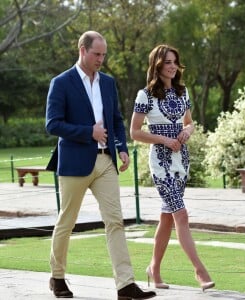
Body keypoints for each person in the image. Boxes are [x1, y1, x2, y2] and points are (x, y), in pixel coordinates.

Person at [45, 30, 156, 300]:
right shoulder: (61, 83)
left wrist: (122, 148)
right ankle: (57, 277)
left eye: (104, 55)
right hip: (74, 163)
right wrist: (88, 132)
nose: (101, 59)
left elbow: (116, 120)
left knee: (115, 221)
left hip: (105, 161)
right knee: (67, 223)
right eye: (97, 54)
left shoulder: (108, 82)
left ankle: (125, 285)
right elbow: (53, 124)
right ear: (82, 50)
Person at [130, 44, 215, 292]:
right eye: (167, 62)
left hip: (182, 160)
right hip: (160, 163)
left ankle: (153, 269)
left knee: (167, 218)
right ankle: (200, 271)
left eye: (175, 62)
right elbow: (135, 132)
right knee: (181, 214)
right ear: (157, 64)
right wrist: (164, 140)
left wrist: (187, 131)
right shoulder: (144, 96)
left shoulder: (182, 91)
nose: (172, 66)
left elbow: (189, 123)